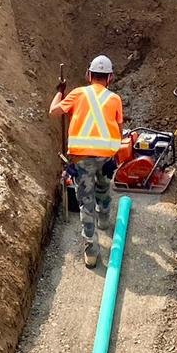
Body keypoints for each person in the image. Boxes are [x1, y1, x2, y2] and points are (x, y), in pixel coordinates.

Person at [51, 56, 124, 267]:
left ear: (88, 75)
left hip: (81, 158)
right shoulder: (115, 99)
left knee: (85, 202)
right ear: (109, 78)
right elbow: (119, 130)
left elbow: (53, 111)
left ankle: (91, 249)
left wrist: (59, 91)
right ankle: (104, 217)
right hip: (105, 156)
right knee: (103, 186)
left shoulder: (76, 94)